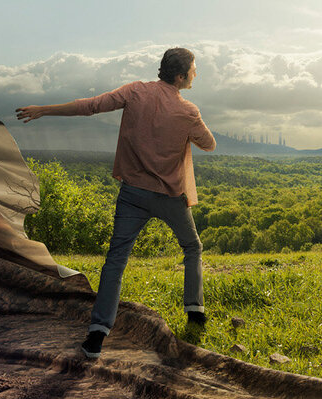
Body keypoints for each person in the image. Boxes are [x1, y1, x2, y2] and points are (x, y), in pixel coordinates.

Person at [15, 47, 216, 358]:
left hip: (132, 195)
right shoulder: (188, 111)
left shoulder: (134, 91)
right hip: (169, 198)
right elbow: (210, 145)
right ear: (180, 76)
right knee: (192, 247)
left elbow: (91, 106)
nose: (195, 73)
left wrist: (45, 109)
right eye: (193, 69)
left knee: (115, 261)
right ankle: (195, 310)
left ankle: (97, 334)